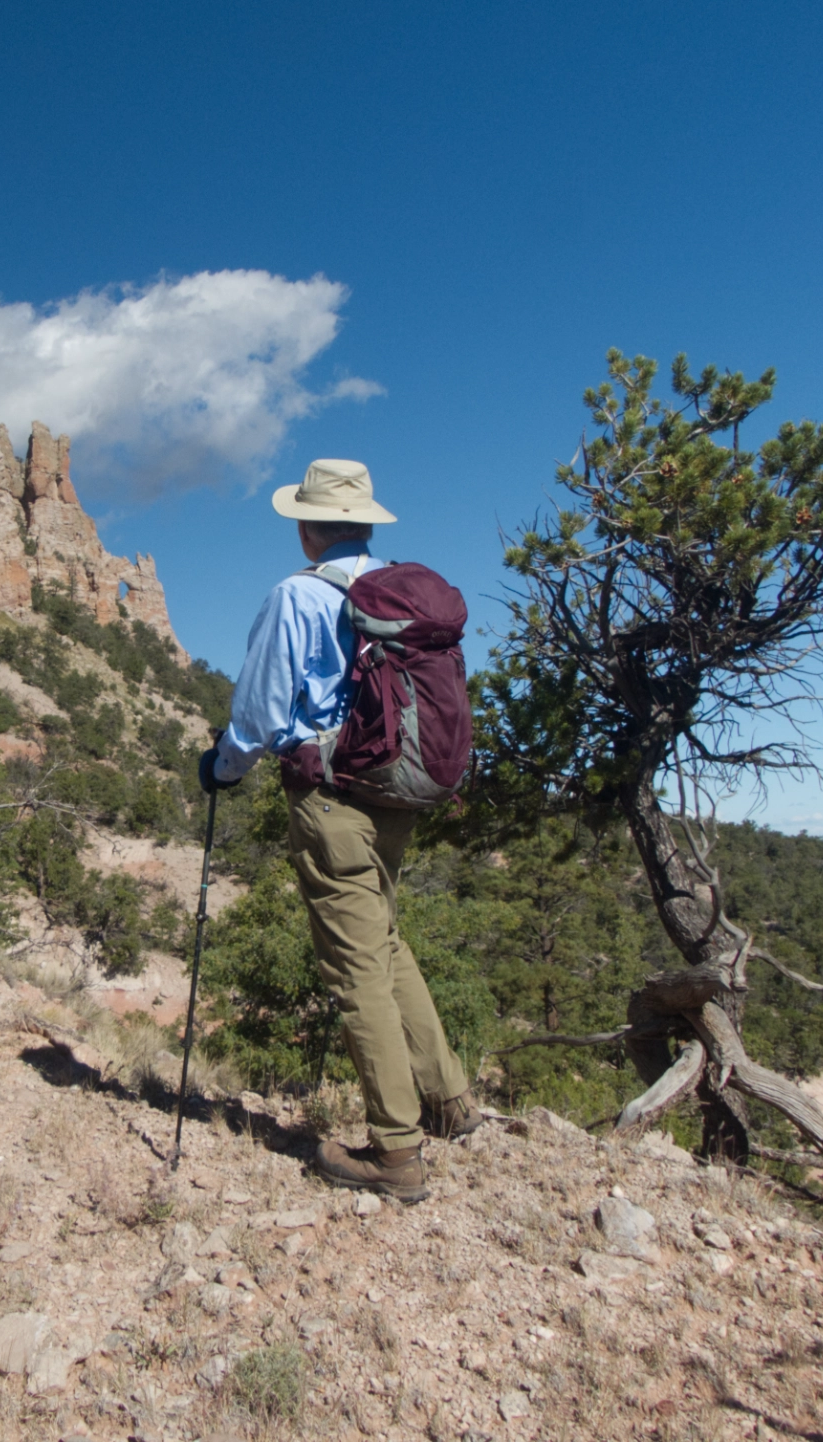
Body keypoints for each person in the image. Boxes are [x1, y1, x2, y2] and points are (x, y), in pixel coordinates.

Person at [199, 459, 480, 1203]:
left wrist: (221, 770)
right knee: (384, 941)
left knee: (355, 966)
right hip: (397, 793)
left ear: (306, 527)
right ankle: (449, 1103)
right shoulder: (399, 594)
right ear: (366, 522)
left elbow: (259, 714)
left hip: (331, 802)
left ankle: (395, 1151)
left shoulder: (297, 594)